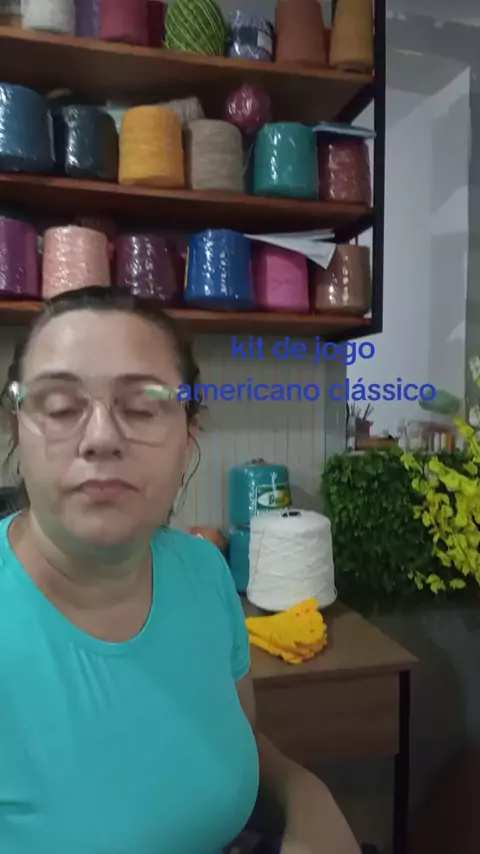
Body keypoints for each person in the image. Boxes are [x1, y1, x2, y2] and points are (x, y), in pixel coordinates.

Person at [0, 285, 361, 854]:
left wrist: (303, 792)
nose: (101, 438)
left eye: (143, 406)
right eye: (61, 406)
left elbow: (236, 743)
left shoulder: (203, 572)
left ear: (189, 435)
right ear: (16, 427)